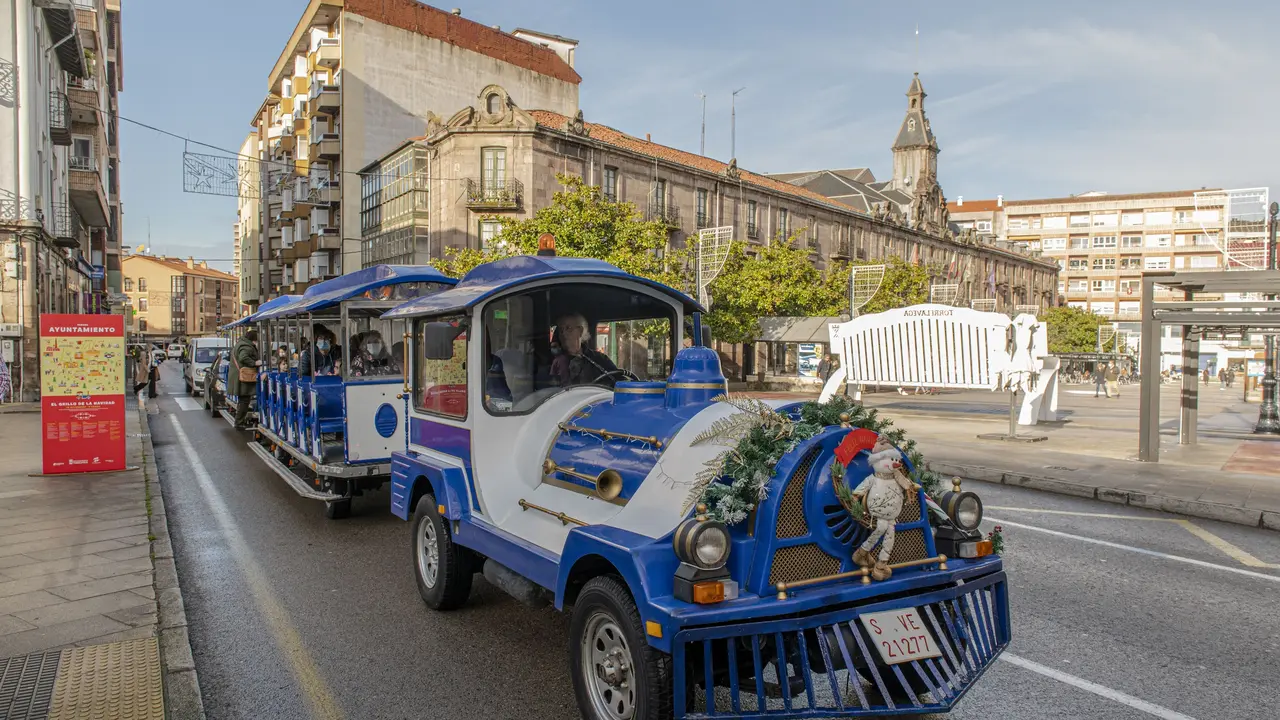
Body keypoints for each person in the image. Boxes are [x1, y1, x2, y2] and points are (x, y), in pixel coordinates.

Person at [550, 312, 623, 388]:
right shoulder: (552, 360)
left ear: (580, 331)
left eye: (568, 328)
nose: (564, 334)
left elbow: (620, 384)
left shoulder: (599, 360)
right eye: (561, 330)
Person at [229, 330, 261, 429]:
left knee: (243, 400)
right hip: (243, 378)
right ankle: (239, 423)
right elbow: (243, 358)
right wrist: (254, 363)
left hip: (238, 377)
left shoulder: (241, 343)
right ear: (254, 339)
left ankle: (239, 421)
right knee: (244, 400)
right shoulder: (247, 346)